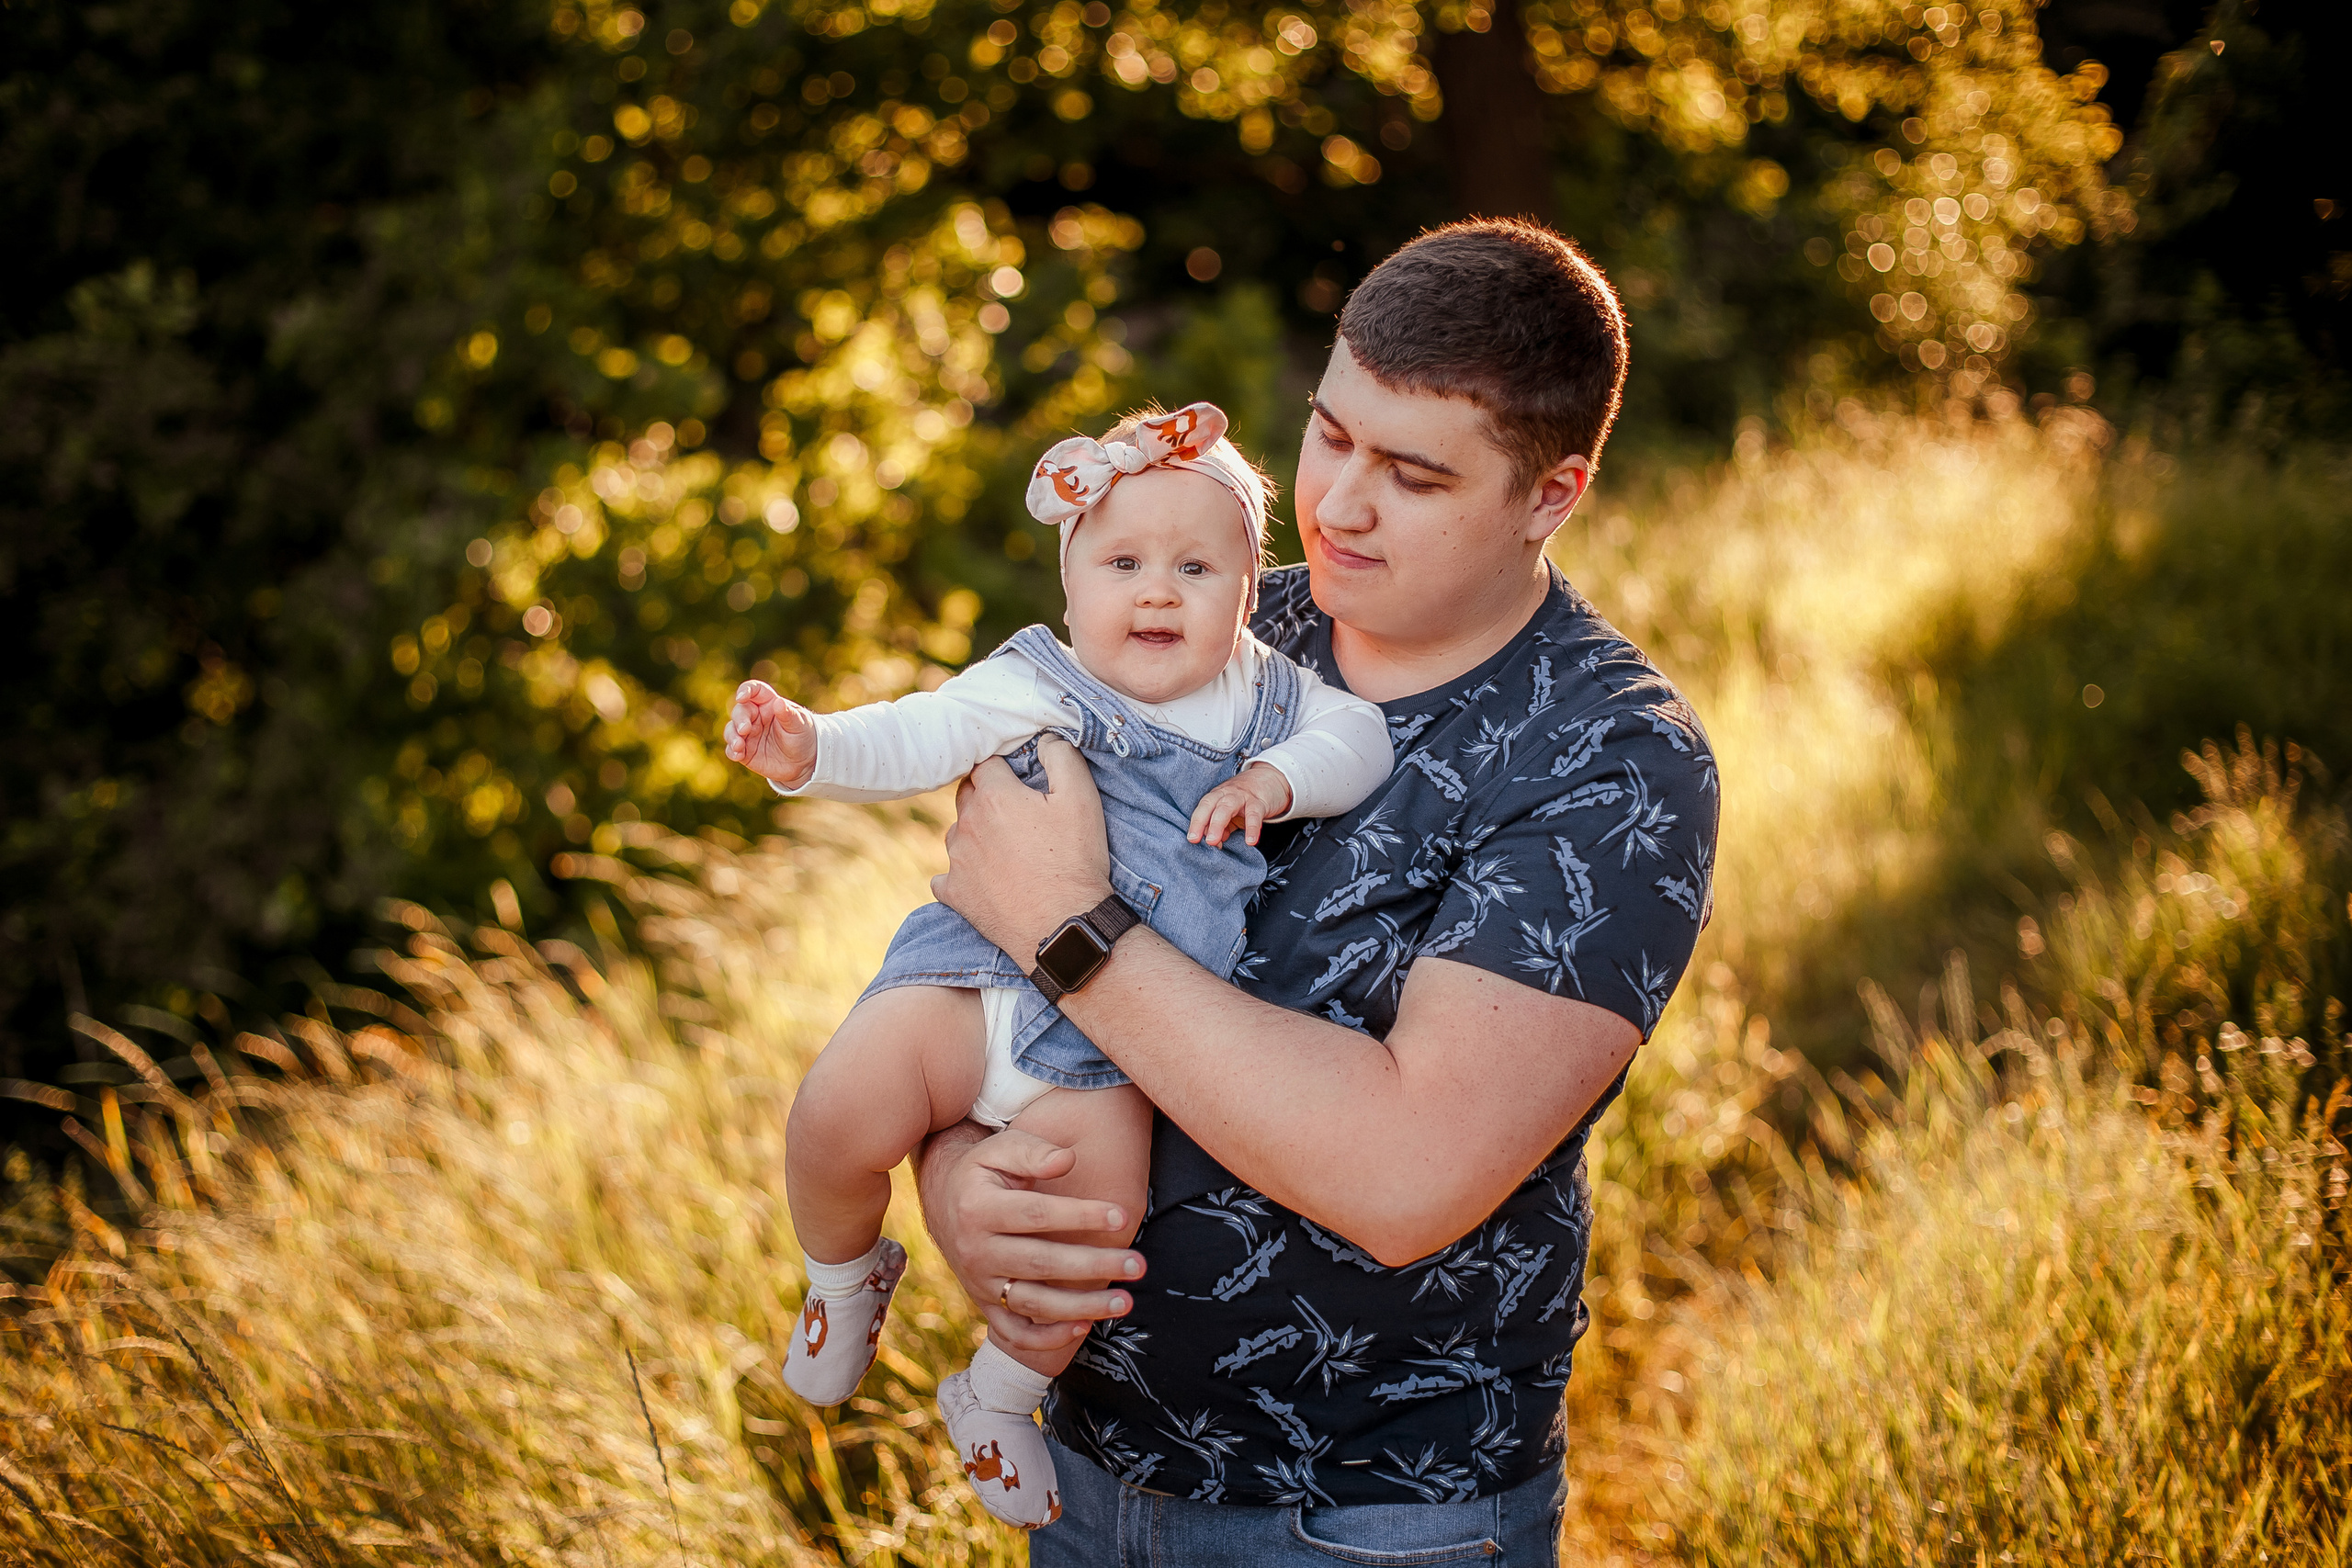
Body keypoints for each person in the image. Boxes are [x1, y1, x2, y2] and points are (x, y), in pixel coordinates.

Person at [915, 217, 1721, 1563]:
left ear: (1551, 493)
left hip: (1376, 1518)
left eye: (1411, 473)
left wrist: (1074, 929)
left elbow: (1408, 1173)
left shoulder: (1613, 759)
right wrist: (956, 1183)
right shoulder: (1211, 619)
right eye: (1331, 434)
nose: (1338, 503)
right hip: (1080, 1471)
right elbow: (977, 961)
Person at [721, 402, 1395, 1528]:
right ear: (1072, 583)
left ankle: (997, 1395)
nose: (1157, 590)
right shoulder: (1034, 679)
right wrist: (811, 749)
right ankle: (843, 1278)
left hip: (1115, 1044)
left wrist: (1275, 783)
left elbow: (1359, 743)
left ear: (1249, 587)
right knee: (834, 1116)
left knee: (1082, 1252)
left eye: (1196, 565)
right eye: (1123, 562)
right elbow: (918, 733)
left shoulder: (1273, 700)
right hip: (969, 983)